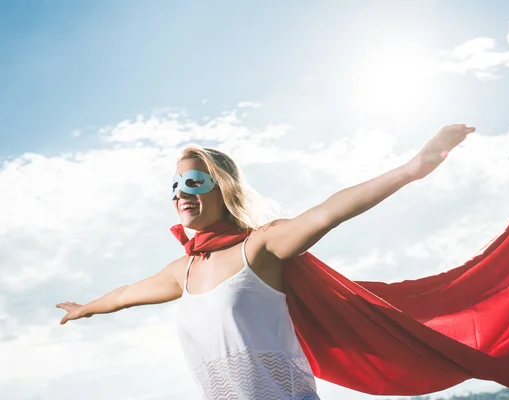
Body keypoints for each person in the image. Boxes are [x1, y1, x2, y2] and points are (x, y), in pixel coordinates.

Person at [55, 123, 475, 399]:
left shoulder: (259, 247)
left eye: (194, 181)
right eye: (175, 185)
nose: (181, 193)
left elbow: (330, 210)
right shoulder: (182, 271)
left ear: (222, 188)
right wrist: (85, 309)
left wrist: (411, 169)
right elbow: (126, 294)